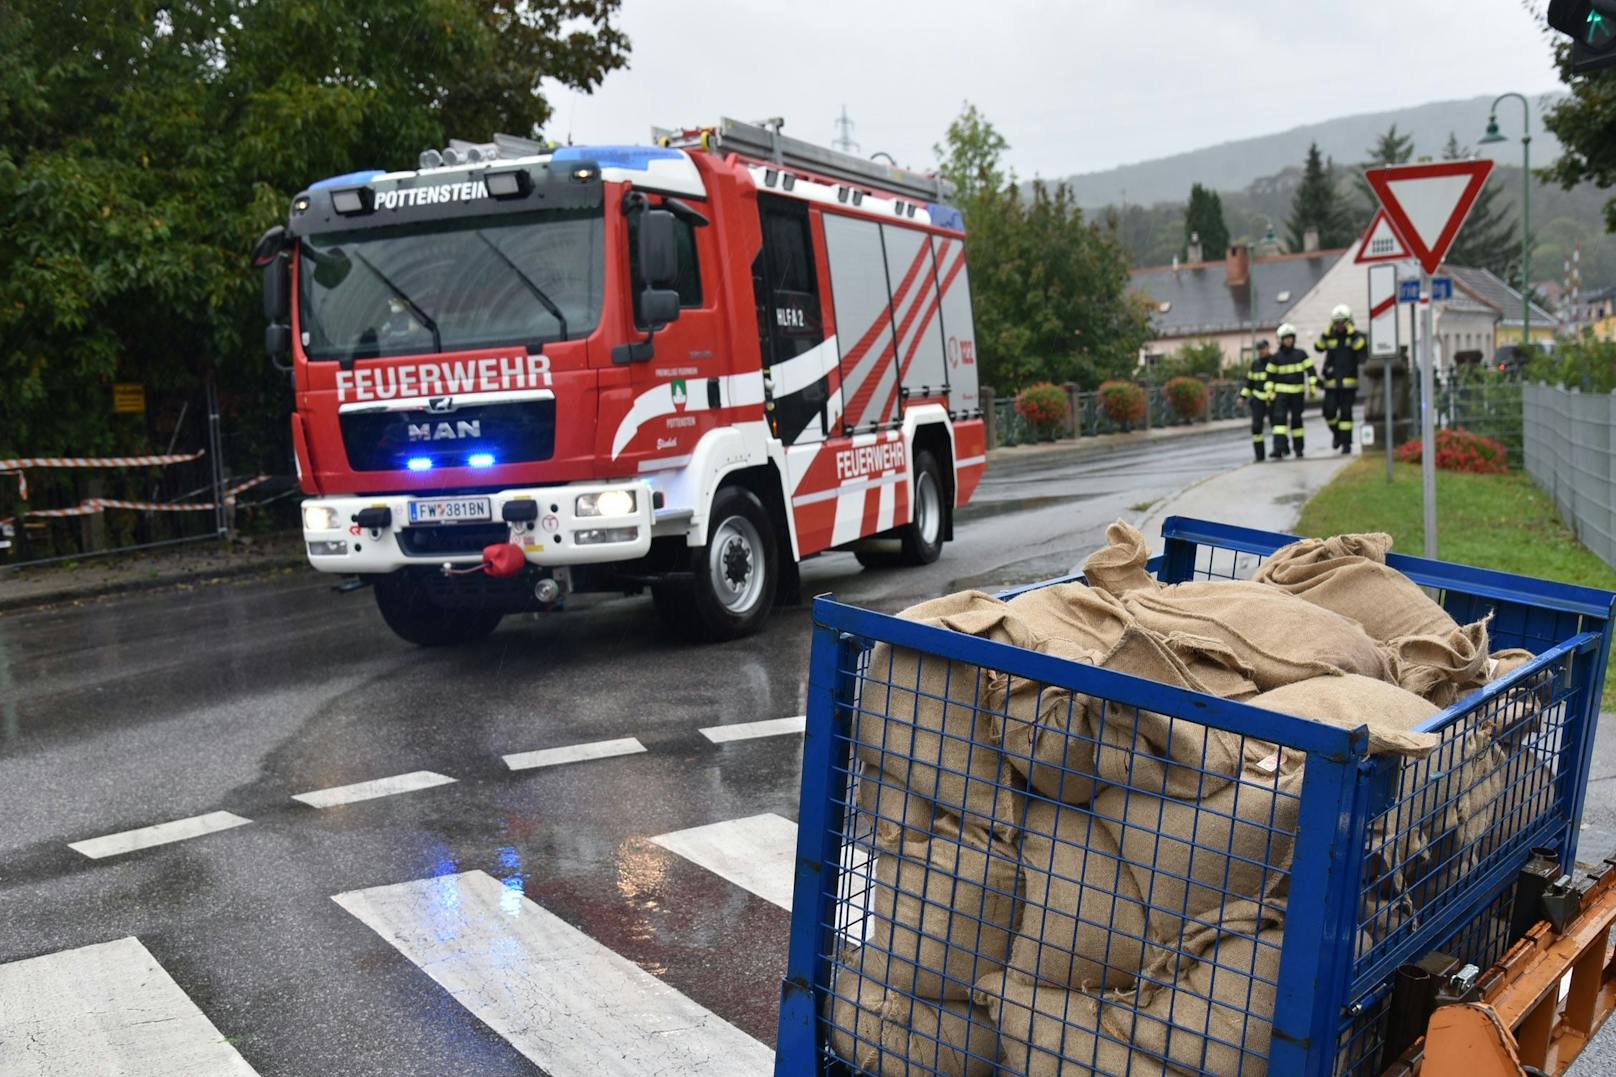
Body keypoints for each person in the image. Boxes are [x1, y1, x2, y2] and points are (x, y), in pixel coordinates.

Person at [1316, 303, 1367, 454]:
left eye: (1342, 322)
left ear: (1348, 322)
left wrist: (1351, 333)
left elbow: (1361, 347)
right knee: (1328, 412)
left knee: (1346, 414)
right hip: (1331, 383)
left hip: (1348, 383)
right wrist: (1325, 333)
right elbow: (1318, 347)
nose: (1339, 325)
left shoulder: (1355, 337)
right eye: (1336, 322)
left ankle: (1346, 444)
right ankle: (1337, 434)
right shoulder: (1330, 337)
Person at [1267, 323, 1316, 459]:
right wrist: (1270, 392)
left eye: (1291, 338)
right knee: (1279, 422)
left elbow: (1311, 372)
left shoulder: (1301, 355)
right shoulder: (1275, 358)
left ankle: (1298, 449)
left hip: (1297, 394)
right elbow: (1269, 378)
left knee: (1297, 422)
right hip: (1281, 395)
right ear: (1280, 340)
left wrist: (1312, 387)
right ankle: (1279, 449)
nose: (1289, 340)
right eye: (1286, 338)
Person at [1241, 339, 1272, 462]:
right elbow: (1250, 383)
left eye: (1263, 348)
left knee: (1278, 426)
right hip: (1258, 399)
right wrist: (1242, 397)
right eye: (1259, 349)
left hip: (1272, 398)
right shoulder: (1255, 364)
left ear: (1268, 348)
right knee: (1256, 427)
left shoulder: (1274, 361)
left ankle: (1280, 449)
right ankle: (1259, 455)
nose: (1262, 351)